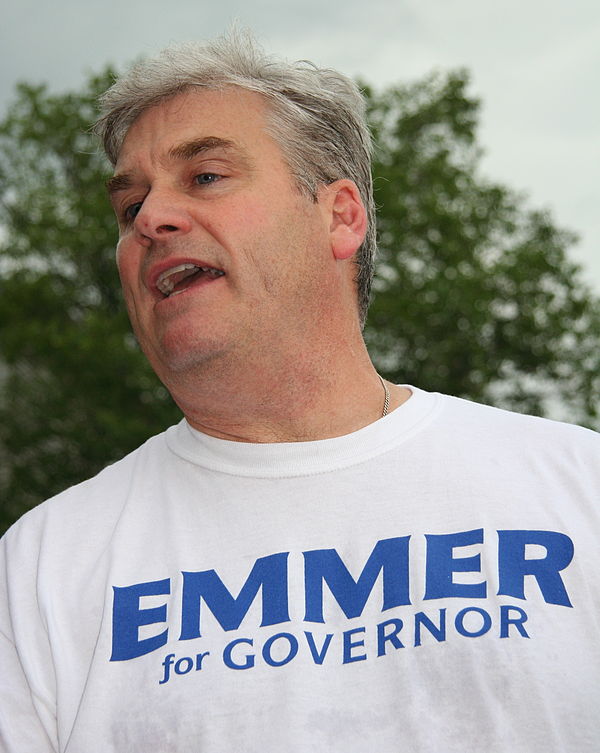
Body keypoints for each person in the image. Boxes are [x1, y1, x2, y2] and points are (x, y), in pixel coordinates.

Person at [1, 32, 599, 753]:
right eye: (130, 207)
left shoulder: (577, 488)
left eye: (207, 176)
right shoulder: (41, 568)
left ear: (339, 215)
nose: (152, 218)